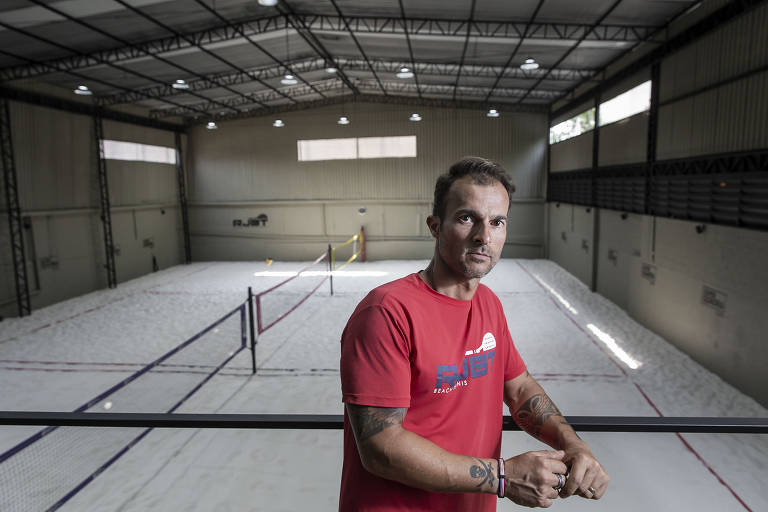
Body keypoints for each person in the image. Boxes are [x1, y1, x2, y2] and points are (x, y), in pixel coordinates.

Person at [339, 157, 609, 511]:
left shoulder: (488, 305)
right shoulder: (387, 312)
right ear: (435, 226)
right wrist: (502, 476)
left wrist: (574, 445)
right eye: (467, 218)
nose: (484, 237)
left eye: (497, 222)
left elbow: (520, 387)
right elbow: (380, 448)